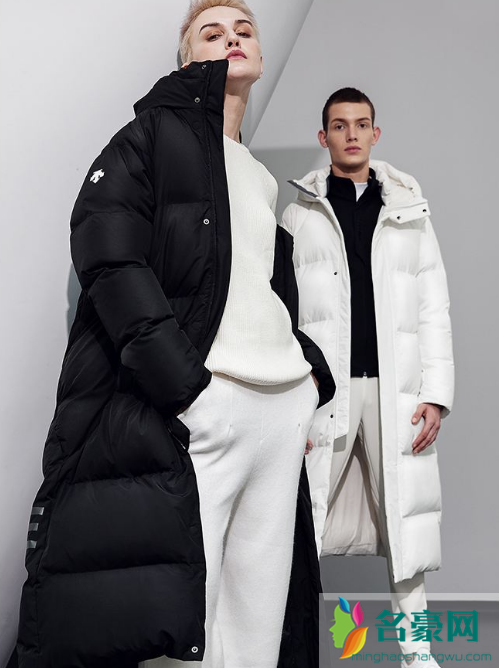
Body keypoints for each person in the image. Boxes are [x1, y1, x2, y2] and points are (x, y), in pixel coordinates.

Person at [14, 2, 335, 667]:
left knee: (257, 617)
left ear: (260, 56)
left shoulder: (255, 174)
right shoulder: (151, 135)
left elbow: (258, 288)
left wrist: (308, 380)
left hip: (279, 409)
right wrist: (186, 389)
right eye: (211, 33)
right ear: (188, 59)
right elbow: (106, 252)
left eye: (244, 31)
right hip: (207, 405)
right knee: (185, 616)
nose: (232, 39)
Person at [281, 87, 454, 668]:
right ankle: (288, 649)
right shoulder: (299, 214)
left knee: (405, 530)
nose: (351, 134)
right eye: (339, 125)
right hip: (323, 393)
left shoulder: (409, 212)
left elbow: (434, 308)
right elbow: (283, 311)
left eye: (361, 124)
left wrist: (436, 395)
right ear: (323, 136)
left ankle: (418, 655)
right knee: (297, 521)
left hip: (393, 390)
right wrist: (291, 396)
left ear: (375, 134)